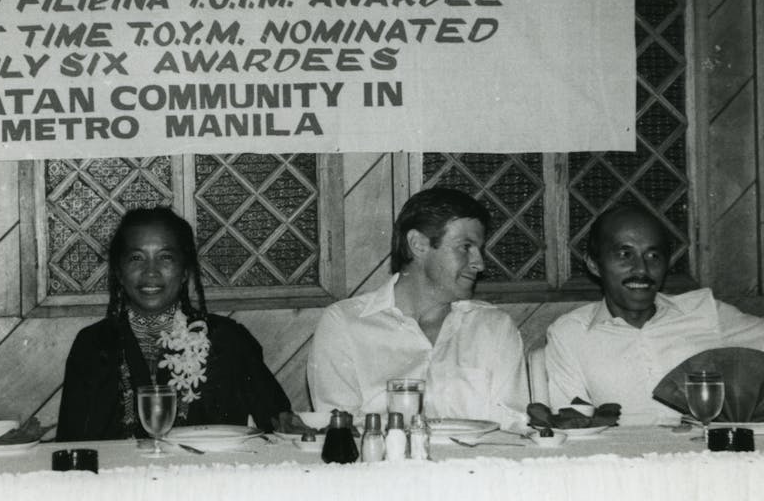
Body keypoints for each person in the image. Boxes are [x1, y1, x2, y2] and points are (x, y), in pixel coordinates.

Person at [543, 204, 764, 425]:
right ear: (594, 264)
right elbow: (573, 422)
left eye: (653, 256)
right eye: (625, 254)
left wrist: (752, 400)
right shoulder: (570, 333)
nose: (642, 269)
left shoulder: (703, 312)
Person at [57, 207, 291, 441]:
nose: (150, 272)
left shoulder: (227, 339)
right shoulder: (92, 344)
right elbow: (69, 442)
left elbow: (280, 422)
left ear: (185, 271)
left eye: (165, 257)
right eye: (136, 258)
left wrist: (289, 426)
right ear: (119, 272)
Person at [307, 187, 528, 430]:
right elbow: (338, 430)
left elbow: (513, 429)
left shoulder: (494, 327)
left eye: (479, 249)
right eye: (465, 247)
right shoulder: (345, 324)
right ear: (419, 244)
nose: (479, 263)